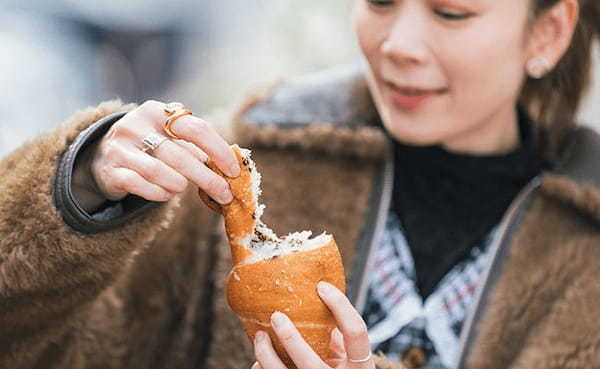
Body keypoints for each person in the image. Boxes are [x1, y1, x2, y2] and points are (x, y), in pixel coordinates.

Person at [1, 0, 599, 368]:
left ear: (547, 32)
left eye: (450, 13)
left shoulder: (586, 247)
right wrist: (77, 189)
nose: (398, 45)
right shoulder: (264, 155)